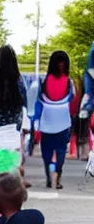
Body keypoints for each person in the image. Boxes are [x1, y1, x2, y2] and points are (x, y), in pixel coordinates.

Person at [0, 45, 29, 186]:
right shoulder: (19, 78)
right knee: (13, 151)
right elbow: (24, 99)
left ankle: (0, 181)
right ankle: (15, 179)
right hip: (15, 121)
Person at [34, 51, 76, 189]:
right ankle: (56, 178)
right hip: (63, 121)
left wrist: (35, 120)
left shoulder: (45, 81)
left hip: (47, 121)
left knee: (47, 152)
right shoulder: (69, 82)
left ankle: (49, 176)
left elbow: (38, 103)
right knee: (60, 151)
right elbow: (73, 99)